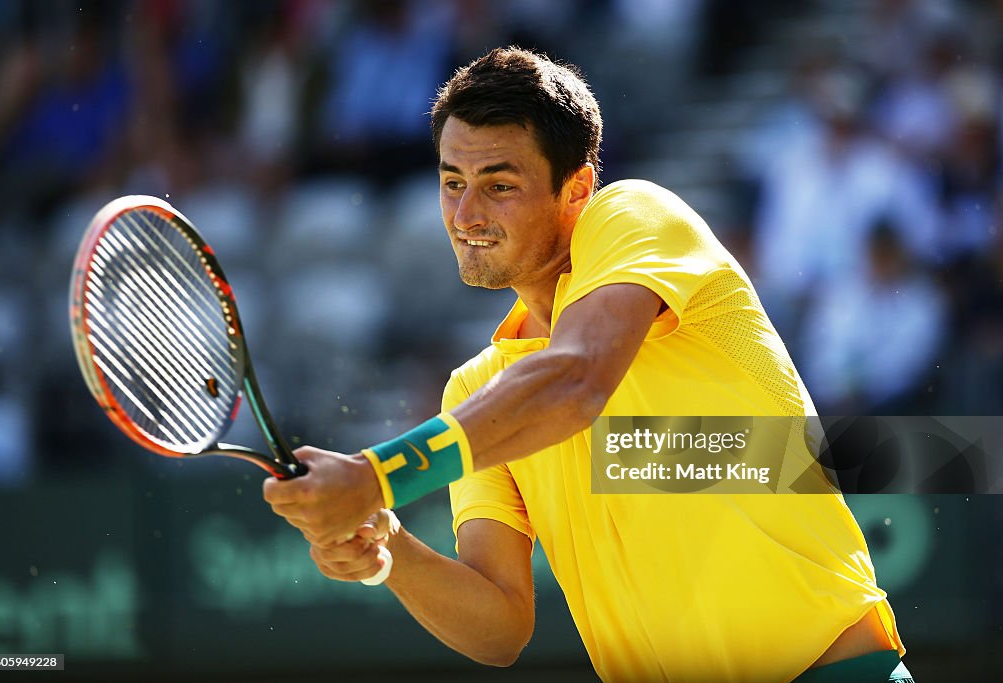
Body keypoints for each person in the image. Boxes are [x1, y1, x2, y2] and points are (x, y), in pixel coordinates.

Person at [264, 47, 913, 682]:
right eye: (453, 183)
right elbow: (498, 629)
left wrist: (378, 475)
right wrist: (389, 552)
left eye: (499, 185)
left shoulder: (635, 214)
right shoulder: (476, 390)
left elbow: (576, 380)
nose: (466, 216)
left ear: (576, 188)